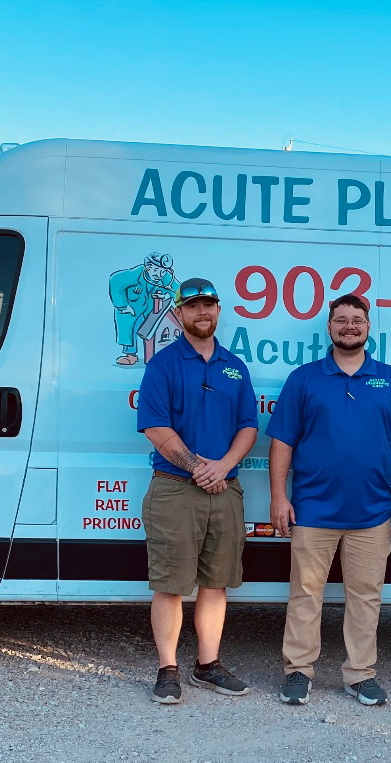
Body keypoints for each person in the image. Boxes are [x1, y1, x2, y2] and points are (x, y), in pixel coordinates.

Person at [267, 294, 391, 707]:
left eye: (357, 320)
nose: (349, 326)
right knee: (305, 594)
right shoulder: (304, 379)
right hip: (312, 509)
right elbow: (282, 441)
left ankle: (359, 675)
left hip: (371, 512)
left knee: (366, 597)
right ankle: (298, 672)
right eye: (342, 320)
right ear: (330, 328)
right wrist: (279, 496)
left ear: (369, 327)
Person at [136, 277, 258, 704]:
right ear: (179, 314)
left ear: (218, 310)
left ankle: (207, 666)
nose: (202, 312)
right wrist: (197, 468)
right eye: (192, 306)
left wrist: (222, 466)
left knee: (216, 583)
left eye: (209, 304)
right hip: (175, 488)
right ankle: (167, 669)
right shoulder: (163, 364)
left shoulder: (234, 366)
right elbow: (155, 426)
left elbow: (248, 426)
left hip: (225, 487)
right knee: (170, 584)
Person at [110, 252, 178, 365]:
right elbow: (115, 281)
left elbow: (177, 290)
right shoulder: (134, 274)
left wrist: (184, 305)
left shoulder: (166, 278)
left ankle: (155, 354)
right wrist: (123, 306)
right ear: (148, 268)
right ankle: (130, 354)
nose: (159, 275)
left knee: (154, 329)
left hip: (150, 309)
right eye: (156, 270)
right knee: (129, 328)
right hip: (132, 309)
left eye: (162, 271)